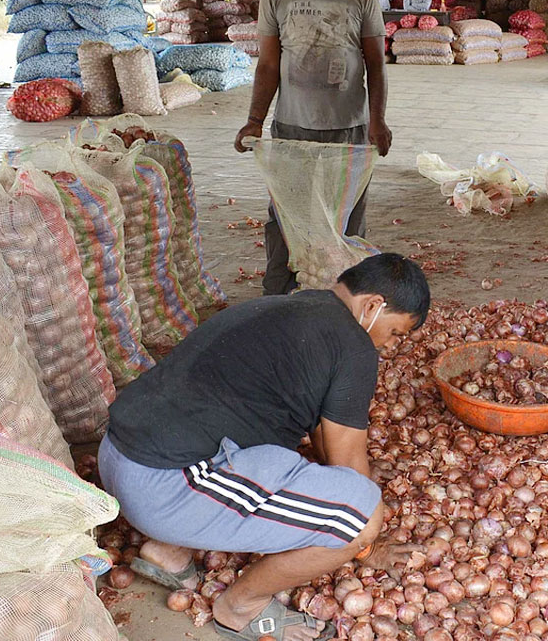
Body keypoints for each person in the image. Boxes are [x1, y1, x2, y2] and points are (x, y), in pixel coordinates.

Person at [99, 253, 430, 641]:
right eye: (396, 332)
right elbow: (348, 464)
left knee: (271, 449)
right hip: (163, 487)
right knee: (362, 515)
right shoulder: (353, 345)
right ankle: (239, 606)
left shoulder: (289, 305)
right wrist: (366, 545)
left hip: (119, 457)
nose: (390, 345)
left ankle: (168, 552)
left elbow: (324, 433)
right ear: (372, 305)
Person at [233, 0, 391, 297]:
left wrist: (378, 120)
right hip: (292, 127)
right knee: (286, 215)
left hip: (349, 126)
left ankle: (347, 295)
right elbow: (269, 65)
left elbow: (375, 63)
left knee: (347, 217)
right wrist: (254, 121)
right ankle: (277, 294)